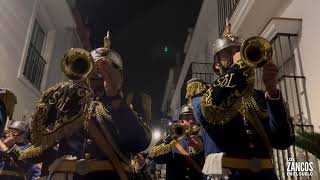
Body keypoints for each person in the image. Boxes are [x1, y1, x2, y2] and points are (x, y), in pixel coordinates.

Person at [1, 32, 151, 180]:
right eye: (93, 67)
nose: (98, 73)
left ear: (119, 74)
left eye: (106, 69)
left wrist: (115, 96)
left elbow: (139, 142)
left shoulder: (133, 100)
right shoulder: (71, 102)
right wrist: (46, 111)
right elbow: (37, 151)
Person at [188, 21, 294, 179]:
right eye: (228, 52)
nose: (236, 55)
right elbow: (210, 109)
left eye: (238, 50)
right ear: (216, 65)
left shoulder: (258, 96)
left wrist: (272, 91)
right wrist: (239, 66)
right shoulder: (201, 92)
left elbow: (282, 140)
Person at [148, 104, 204, 180]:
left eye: (194, 117)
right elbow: (155, 157)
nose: (191, 121)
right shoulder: (173, 142)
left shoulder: (205, 141)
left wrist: (200, 151)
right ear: (180, 121)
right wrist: (171, 135)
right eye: (187, 118)